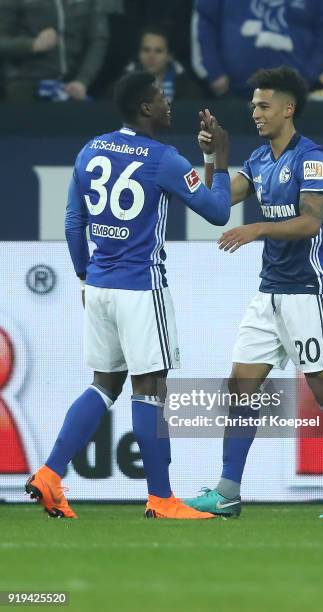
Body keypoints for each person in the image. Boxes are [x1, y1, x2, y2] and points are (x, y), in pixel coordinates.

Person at [25, 71, 231, 520]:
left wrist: (84, 277)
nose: (168, 103)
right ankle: (161, 499)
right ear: (144, 107)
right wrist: (217, 160)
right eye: (161, 96)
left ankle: (50, 474)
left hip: (98, 286)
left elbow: (73, 223)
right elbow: (217, 212)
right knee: (151, 390)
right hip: (140, 289)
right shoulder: (165, 160)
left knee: (104, 385)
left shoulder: (90, 149)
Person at [184, 66, 323, 520]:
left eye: (263, 105)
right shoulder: (260, 160)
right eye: (252, 106)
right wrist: (214, 159)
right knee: (241, 385)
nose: (255, 113)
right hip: (269, 294)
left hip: (310, 293)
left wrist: (257, 228)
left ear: (288, 109)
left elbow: (311, 222)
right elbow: (213, 206)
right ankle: (228, 492)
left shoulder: (312, 158)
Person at [191, 0, 323, 97]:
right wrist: (214, 71)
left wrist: (310, 76)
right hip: (233, 92)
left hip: (295, 95)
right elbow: (205, 22)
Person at [0, 0, 108, 102]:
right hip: (25, 85)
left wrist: (82, 80)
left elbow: (98, 40)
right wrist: (32, 45)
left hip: (71, 87)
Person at [125, 26, 202, 102]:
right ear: (139, 53)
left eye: (158, 51)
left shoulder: (189, 89)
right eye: (146, 50)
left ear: (169, 56)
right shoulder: (123, 86)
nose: (151, 56)